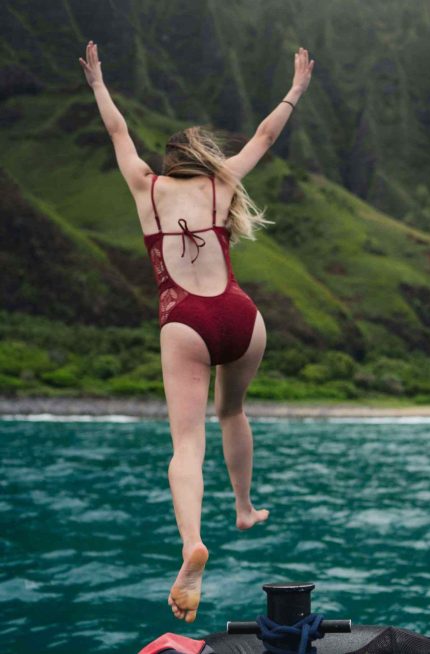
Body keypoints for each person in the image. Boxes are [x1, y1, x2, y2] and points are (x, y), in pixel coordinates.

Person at [80, 41, 314, 622]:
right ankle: (243, 506)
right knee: (232, 412)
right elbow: (263, 136)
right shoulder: (221, 184)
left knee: (187, 443)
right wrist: (295, 90)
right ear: (202, 158)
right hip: (241, 315)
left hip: (184, 319)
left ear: (168, 161)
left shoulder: (146, 186)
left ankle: (192, 544)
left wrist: (98, 85)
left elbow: (118, 132)